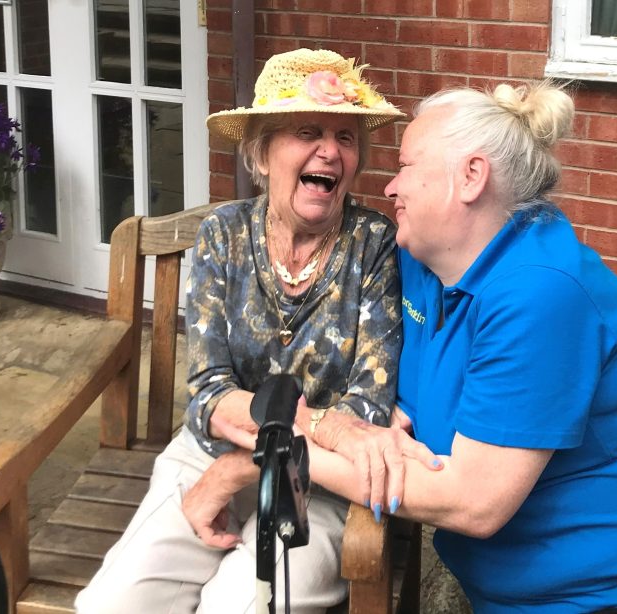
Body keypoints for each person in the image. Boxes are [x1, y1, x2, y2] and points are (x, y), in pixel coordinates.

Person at [298, 82, 617, 612]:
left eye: (406, 166)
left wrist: (288, 452)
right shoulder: (426, 263)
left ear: (471, 177)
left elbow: (474, 502)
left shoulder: (541, 293)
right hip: (518, 585)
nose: (390, 187)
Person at [75, 48, 434, 614]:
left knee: (239, 606)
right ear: (261, 155)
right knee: (113, 604)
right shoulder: (223, 234)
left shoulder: (375, 246)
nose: (330, 151)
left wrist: (239, 469)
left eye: (346, 136)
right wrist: (313, 427)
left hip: (322, 485)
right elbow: (210, 397)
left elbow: (366, 409)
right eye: (307, 132)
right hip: (212, 453)